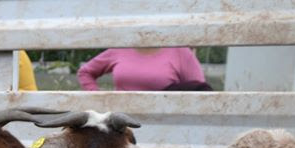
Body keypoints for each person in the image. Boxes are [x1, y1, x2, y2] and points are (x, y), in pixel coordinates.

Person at [77, 47, 207, 91]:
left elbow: (200, 90)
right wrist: (100, 98)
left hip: (164, 123)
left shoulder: (179, 51)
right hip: (121, 125)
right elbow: (85, 72)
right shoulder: (120, 49)